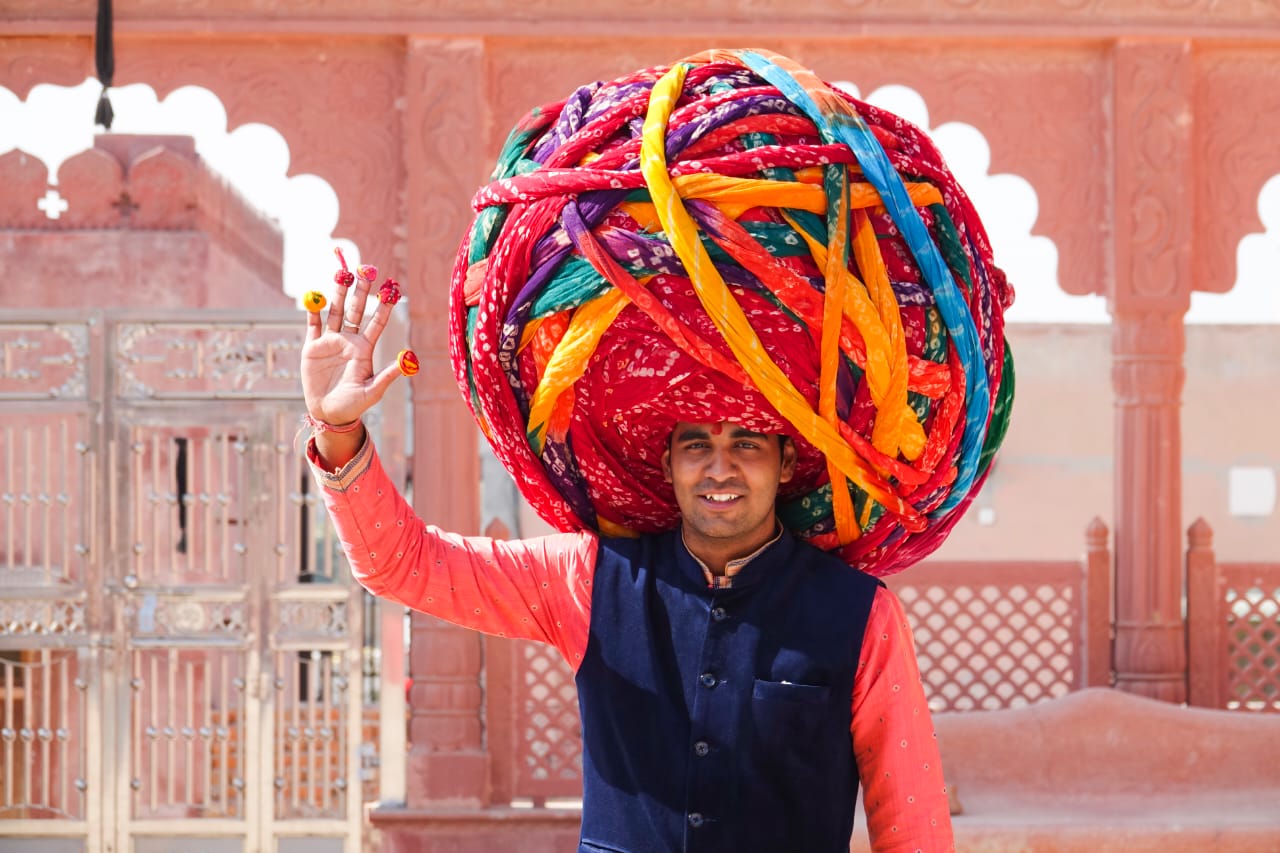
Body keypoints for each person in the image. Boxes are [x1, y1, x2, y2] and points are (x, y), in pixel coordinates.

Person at [301, 269, 955, 852]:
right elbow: (404, 564)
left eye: (746, 444)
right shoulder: (590, 579)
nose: (719, 467)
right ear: (666, 462)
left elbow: (913, 826)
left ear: (786, 461)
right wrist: (338, 433)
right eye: (696, 443)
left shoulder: (859, 615)